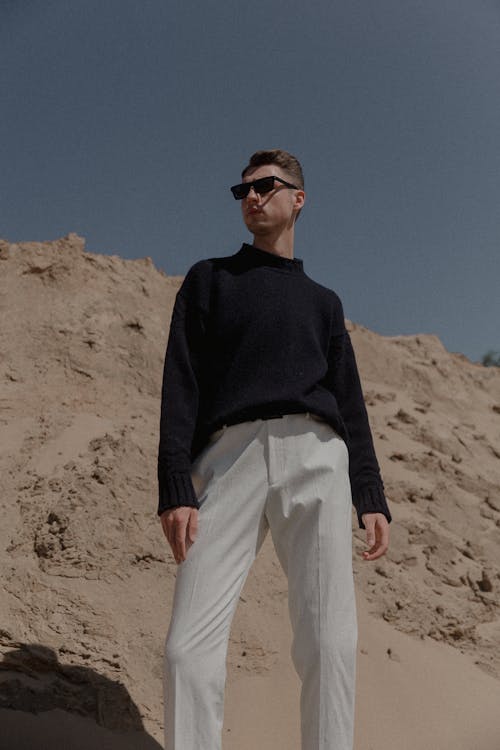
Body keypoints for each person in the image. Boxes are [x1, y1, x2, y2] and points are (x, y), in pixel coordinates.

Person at [157, 148, 391, 750]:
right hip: (228, 460)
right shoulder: (209, 280)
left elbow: (351, 403)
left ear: (298, 198)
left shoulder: (324, 302)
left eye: (265, 186)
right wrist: (175, 485)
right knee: (186, 649)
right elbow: (180, 385)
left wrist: (370, 493)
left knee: (329, 642)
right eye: (242, 192)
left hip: (317, 456)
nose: (252, 198)